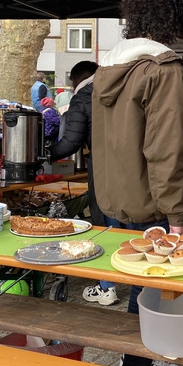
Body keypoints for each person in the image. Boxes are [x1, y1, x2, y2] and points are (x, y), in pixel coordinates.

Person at [91, 0, 183, 366]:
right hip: (155, 199)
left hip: (116, 196)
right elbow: (165, 150)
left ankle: (135, 358)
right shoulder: (164, 69)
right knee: (151, 286)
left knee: (138, 281)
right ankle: (140, 362)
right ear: (176, 16)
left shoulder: (109, 67)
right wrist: (177, 216)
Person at [48, 61, 108, 299]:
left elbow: (71, 141)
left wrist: (46, 153)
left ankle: (106, 285)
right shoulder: (115, 89)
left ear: (75, 79)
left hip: (102, 164)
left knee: (102, 217)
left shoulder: (82, 96)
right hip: (131, 164)